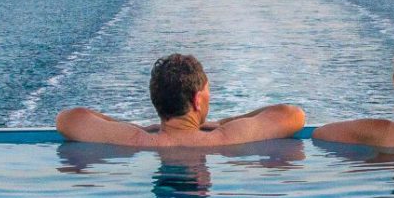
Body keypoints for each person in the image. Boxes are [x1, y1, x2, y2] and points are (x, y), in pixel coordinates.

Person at [55, 53, 306, 149]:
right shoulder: (226, 137)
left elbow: (68, 119)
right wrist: (224, 122)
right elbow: (293, 115)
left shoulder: (135, 140)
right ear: (198, 100)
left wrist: (138, 129)